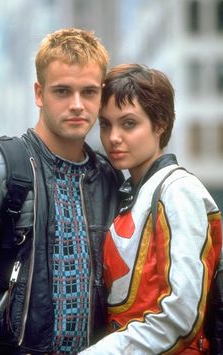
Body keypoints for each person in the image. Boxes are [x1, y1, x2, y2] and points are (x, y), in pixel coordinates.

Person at [0, 28, 123, 354]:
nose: (77, 105)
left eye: (88, 92)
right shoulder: (3, 169)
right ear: (39, 93)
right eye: (62, 91)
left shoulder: (110, 179)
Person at [79, 64, 223, 354]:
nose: (114, 137)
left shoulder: (178, 190)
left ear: (160, 124)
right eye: (106, 124)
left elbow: (181, 316)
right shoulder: (132, 193)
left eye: (129, 123)